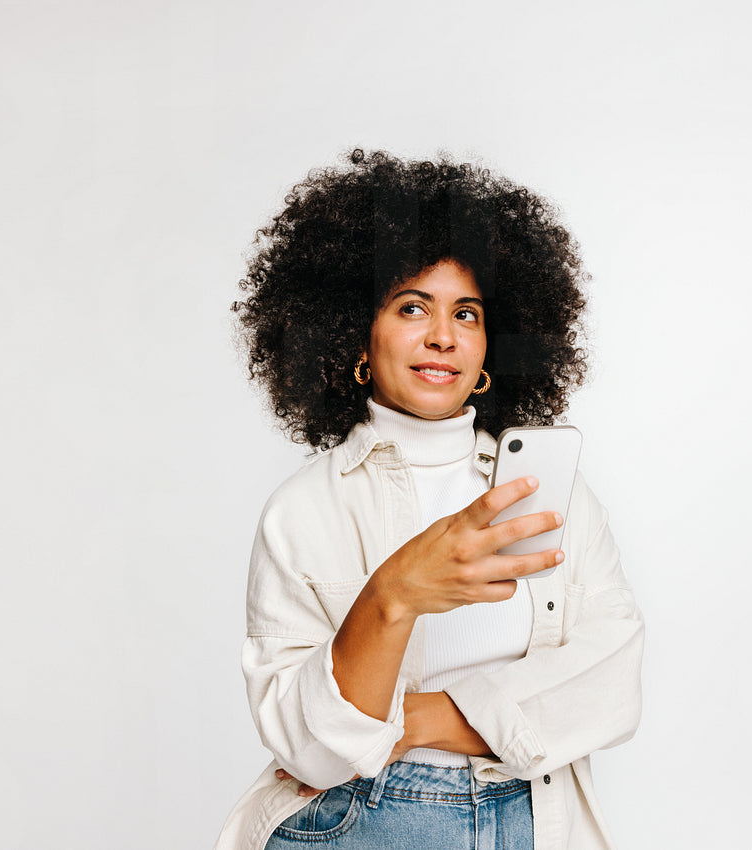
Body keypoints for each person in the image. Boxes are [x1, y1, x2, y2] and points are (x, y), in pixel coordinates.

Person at [215, 150, 644, 850]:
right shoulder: (304, 510)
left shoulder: (547, 492)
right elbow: (312, 752)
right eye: (412, 307)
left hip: (531, 818)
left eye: (466, 314)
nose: (443, 335)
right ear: (356, 335)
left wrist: (422, 719)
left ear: (489, 348)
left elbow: (613, 679)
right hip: (360, 818)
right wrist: (394, 594)